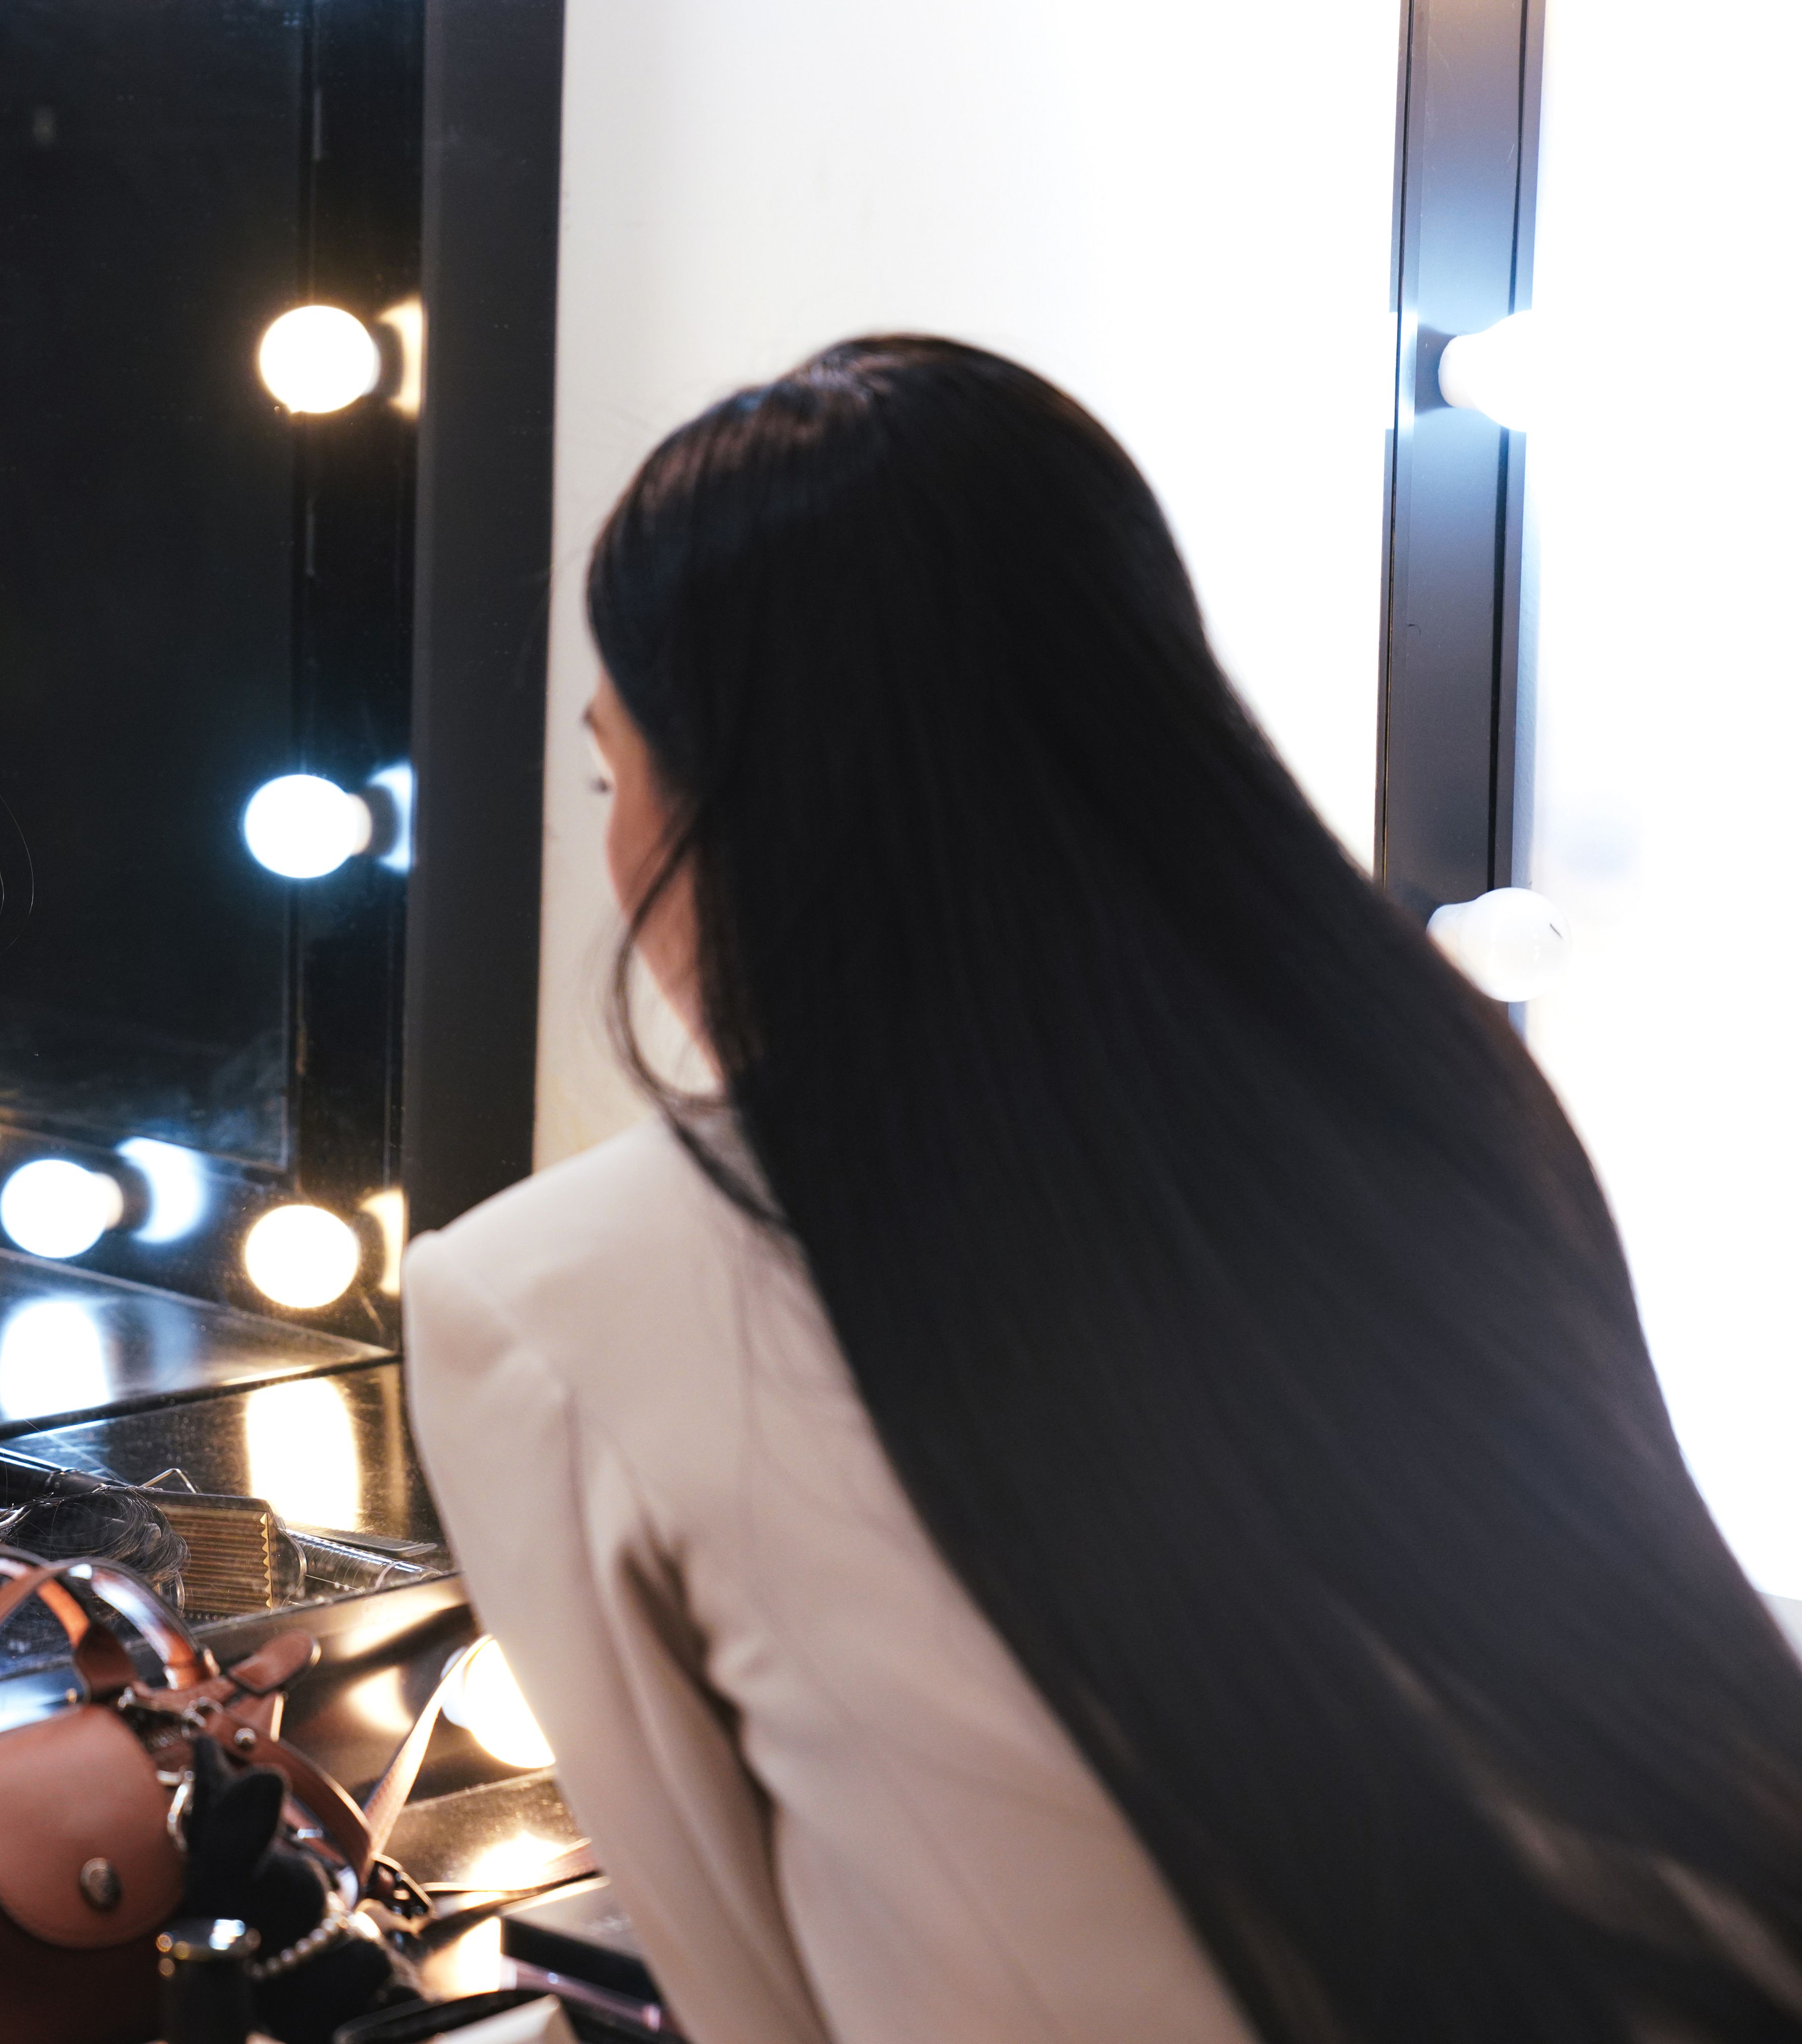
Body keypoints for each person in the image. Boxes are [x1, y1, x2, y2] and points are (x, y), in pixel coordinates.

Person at [407, 337, 1802, 2044]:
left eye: (614, 775)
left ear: (745, 804)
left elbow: (749, 2004)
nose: (619, 849)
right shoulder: (1433, 1099)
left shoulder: (543, 1304)